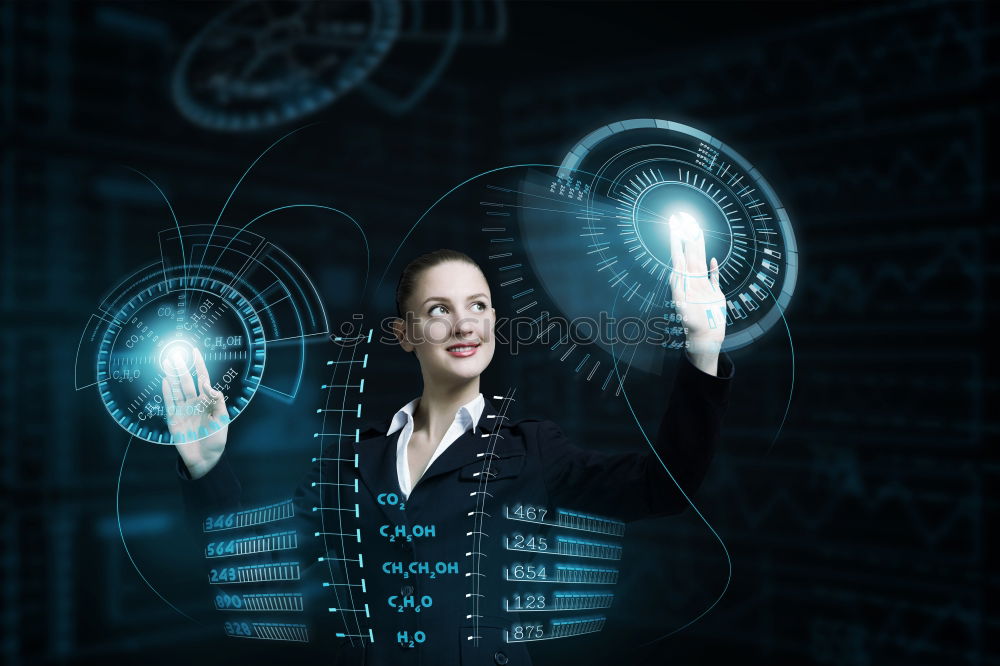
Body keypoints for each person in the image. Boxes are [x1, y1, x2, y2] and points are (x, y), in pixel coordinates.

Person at [168, 223, 734, 665]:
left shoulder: (532, 449)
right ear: (405, 334)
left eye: (478, 305)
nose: (465, 325)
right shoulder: (348, 463)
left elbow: (663, 487)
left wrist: (702, 352)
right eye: (440, 310)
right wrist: (206, 463)